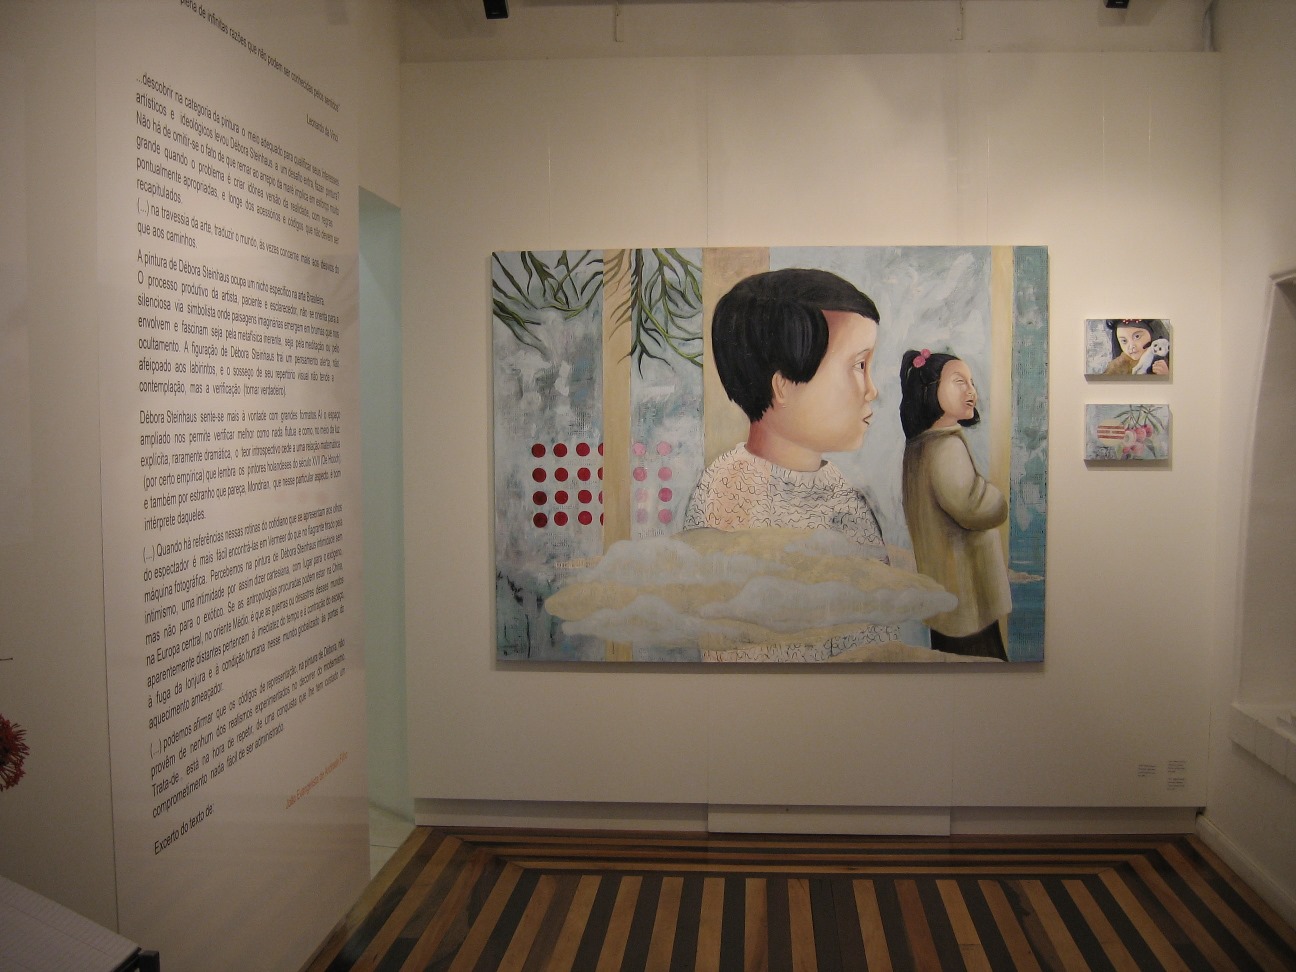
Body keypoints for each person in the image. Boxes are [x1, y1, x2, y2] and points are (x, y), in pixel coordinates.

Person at [683, 268, 886, 559]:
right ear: (783, 386)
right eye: (859, 366)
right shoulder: (730, 493)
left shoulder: (838, 489)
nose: (871, 390)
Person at [899, 348, 1011, 659]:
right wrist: (997, 499)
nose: (971, 391)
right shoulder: (945, 447)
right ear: (930, 390)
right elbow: (972, 505)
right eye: (960, 382)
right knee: (982, 661)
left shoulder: (920, 444)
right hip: (966, 594)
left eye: (971, 382)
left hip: (946, 591)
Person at [1104, 319, 1169, 375]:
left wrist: (1166, 375)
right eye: (1124, 341)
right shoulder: (1117, 367)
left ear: (1152, 334)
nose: (1131, 346)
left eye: (1137, 336)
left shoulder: (1165, 360)